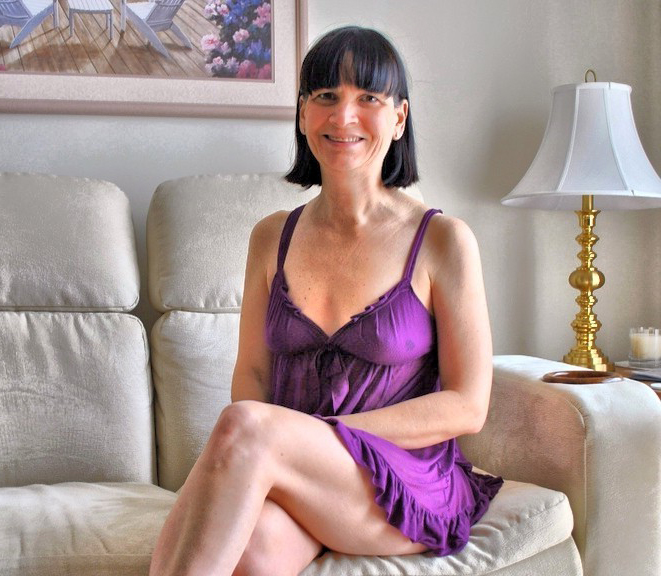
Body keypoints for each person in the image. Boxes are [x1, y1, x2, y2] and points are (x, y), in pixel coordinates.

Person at [149, 25, 503, 576]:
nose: (344, 117)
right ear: (302, 114)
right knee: (249, 551)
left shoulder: (443, 241)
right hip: (304, 477)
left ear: (399, 118)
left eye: (368, 98)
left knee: (244, 426)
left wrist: (323, 435)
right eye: (326, 96)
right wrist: (288, 457)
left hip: (400, 483)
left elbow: (467, 405)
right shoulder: (271, 236)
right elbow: (253, 374)